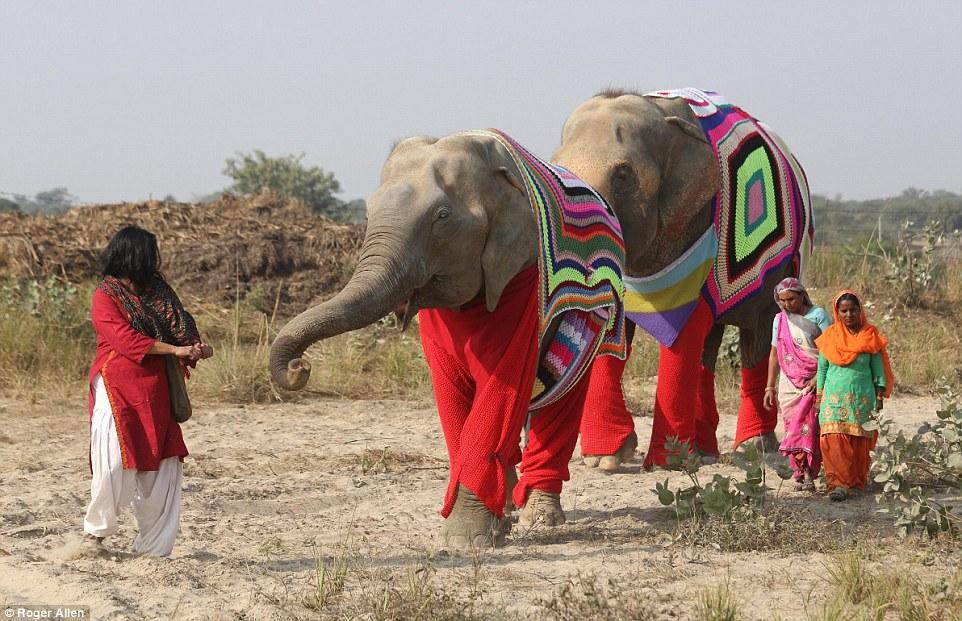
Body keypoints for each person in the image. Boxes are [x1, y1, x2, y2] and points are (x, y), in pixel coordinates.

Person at [83, 225, 213, 556]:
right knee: (114, 461)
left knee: (165, 464)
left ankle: (154, 549)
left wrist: (194, 347)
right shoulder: (105, 296)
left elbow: (181, 327)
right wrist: (174, 351)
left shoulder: (159, 292)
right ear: (131, 256)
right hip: (118, 389)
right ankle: (94, 537)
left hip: (158, 390)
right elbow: (125, 340)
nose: (152, 261)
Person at [814, 290, 894, 501]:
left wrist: (879, 397)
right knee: (832, 439)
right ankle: (838, 484)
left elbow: (878, 370)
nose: (849, 314)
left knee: (860, 439)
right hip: (833, 398)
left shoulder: (870, 336)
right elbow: (822, 370)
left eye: (853, 310)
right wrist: (818, 397)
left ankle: (856, 482)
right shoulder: (830, 337)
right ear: (837, 313)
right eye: (844, 311)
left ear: (860, 311)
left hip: (862, 398)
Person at [763, 278, 831, 490]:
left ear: (802, 295)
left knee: (810, 426)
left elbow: (829, 351)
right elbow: (775, 354)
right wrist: (769, 386)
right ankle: (798, 471)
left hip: (814, 379)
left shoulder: (818, 316)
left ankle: (811, 472)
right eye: (782, 300)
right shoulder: (779, 320)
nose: (787, 304)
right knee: (792, 426)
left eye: (791, 299)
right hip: (789, 382)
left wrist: (817, 379)